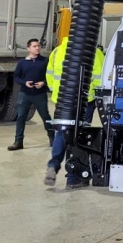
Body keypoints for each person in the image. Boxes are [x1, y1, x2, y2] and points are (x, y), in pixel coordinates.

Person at [43, 36, 105, 189]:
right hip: (85, 100)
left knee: (61, 133)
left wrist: (56, 91)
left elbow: (49, 75)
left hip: (62, 99)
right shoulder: (95, 52)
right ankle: (74, 178)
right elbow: (102, 77)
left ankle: (53, 164)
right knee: (79, 135)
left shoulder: (57, 51)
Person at [8, 38, 53, 151]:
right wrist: (25, 83)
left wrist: (44, 83)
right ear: (28, 48)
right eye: (34, 46)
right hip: (25, 94)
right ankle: (18, 142)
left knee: (45, 117)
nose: (37, 48)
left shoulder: (45, 61)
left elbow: (50, 75)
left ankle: (53, 139)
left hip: (40, 94)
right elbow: (16, 77)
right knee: (21, 117)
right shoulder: (22, 63)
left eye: (38, 46)